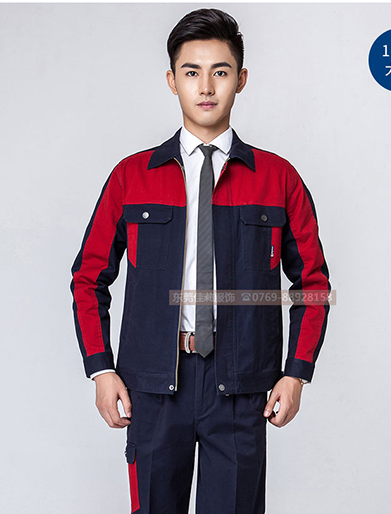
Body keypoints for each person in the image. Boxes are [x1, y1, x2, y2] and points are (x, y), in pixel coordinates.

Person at [70, 7, 331, 514]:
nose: (206, 87)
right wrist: (100, 370)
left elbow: (313, 283)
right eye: (192, 72)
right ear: (172, 81)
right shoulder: (132, 177)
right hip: (153, 388)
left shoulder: (278, 179)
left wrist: (296, 373)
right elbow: (88, 278)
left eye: (220, 72)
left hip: (241, 389)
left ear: (241, 79)